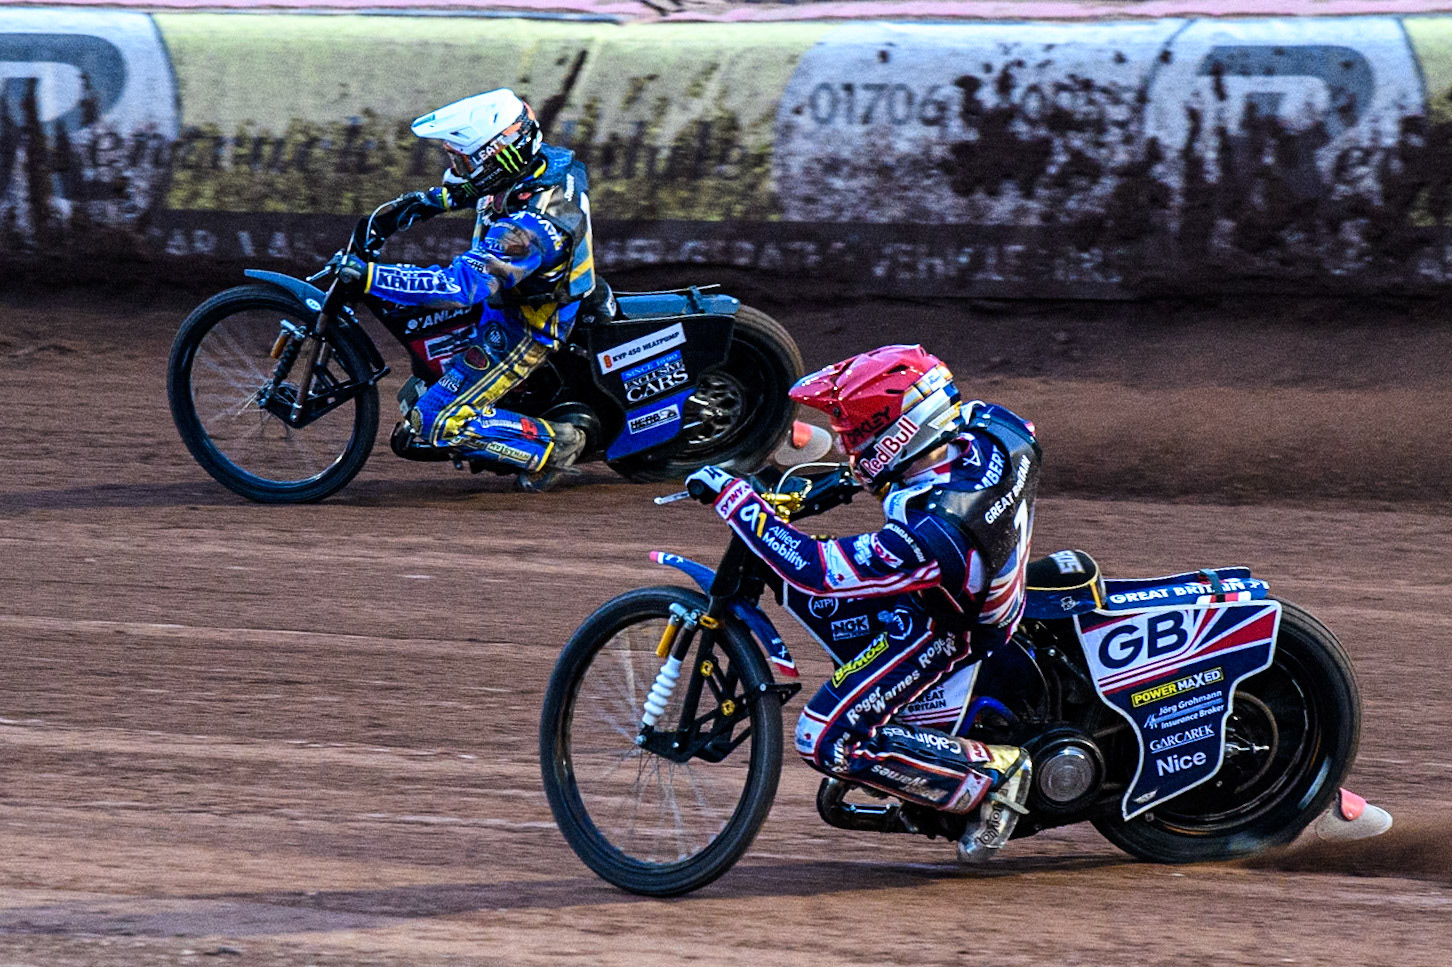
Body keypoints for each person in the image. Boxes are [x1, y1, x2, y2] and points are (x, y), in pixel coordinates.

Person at [685, 344, 1041, 861]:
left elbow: (818, 571)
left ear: (899, 430)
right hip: (984, 582)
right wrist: (822, 490)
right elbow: (893, 470)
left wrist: (738, 503)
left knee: (824, 738)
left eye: (856, 431)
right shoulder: (990, 429)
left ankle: (992, 772)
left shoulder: (933, 532)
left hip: (947, 629)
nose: (848, 442)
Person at [327, 89, 596, 491]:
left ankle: (555, 446)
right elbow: (460, 192)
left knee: (433, 421)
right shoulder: (536, 167)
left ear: (497, 156)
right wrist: (397, 214)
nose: (456, 168)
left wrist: (371, 277)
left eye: (463, 160)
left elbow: (460, 285)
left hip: (525, 325)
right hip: (522, 292)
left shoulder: (531, 228)